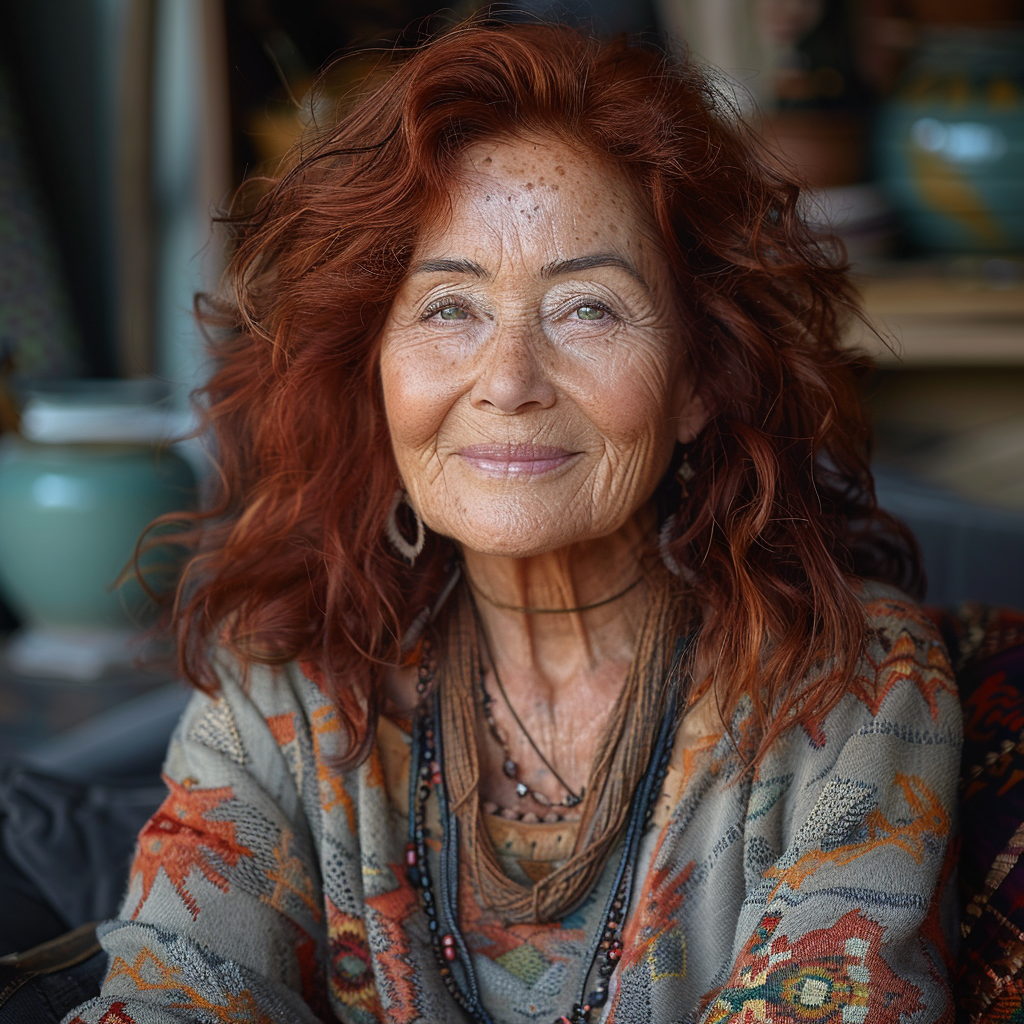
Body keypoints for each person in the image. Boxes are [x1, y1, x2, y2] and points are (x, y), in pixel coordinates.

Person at [66, 20, 960, 1024]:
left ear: (700, 376)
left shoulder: (846, 688)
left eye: (588, 309)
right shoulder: (283, 687)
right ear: (373, 366)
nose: (508, 381)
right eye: (449, 308)